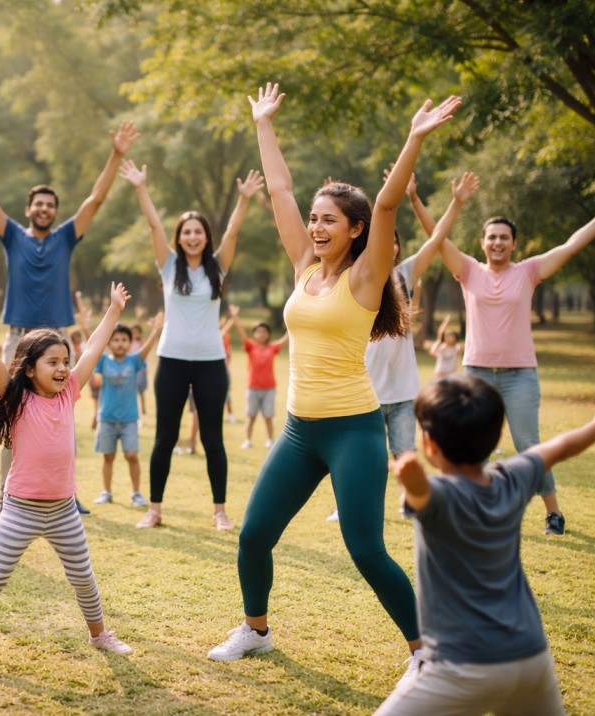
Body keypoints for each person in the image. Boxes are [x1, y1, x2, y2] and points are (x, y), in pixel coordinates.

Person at [208, 84, 461, 673]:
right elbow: (280, 191)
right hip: (300, 431)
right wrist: (263, 123)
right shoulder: (304, 265)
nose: (316, 227)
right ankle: (256, 629)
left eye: (329, 221)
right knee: (252, 536)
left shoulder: (367, 277)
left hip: (352, 430)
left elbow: (390, 203)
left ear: (355, 229)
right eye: (315, 219)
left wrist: (414, 140)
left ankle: (426, 650)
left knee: (366, 548)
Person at [376, 376, 595, 715]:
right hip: (530, 658)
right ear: (498, 434)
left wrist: (412, 478)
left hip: (462, 667)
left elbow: (421, 495)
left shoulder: (441, 496)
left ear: (430, 445)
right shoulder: (513, 477)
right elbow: (558, 447)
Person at [0, 282, 135, 675]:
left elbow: (92, 348)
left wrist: (113, 310)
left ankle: (99, 634)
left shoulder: (69, 391)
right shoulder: (16, 397)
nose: (62, 368)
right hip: (21, 509)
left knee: (83, 579)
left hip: (63, 510)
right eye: (52, 362)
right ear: (29, 368)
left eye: (64, 361)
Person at [0, 106, 140, 520]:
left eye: (50, 204)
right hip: (19, 337)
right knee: (12, 412)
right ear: (29, 207)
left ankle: (66, 493)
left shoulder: (66, 237)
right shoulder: (13, 236)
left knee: (62, 416)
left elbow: (97, 198)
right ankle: (5, 495)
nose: (44, 208)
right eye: (38, 203)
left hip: (56, 336)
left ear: (55, 211)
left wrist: (116, 155)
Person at [413, 182, 595, 535]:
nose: (498, 243)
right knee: (472, 444)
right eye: (492, 237)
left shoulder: (528, 271)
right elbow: (436, 237)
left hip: (520, 375)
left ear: (513, 244)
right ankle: (466, 510)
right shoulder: (468, 271)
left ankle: (554, 514)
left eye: (504, 237)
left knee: (529, 445)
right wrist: (413, 198)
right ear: (483, 243)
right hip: (477, 374)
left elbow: (571, 246)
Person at [119, 161, 264, 531]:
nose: (193, 237)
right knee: (165, 437)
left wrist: (244, 200)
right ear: (179, 237)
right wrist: (140, 187)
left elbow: (232, 232)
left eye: (198, 231)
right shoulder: (168, 265)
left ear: (205, 236)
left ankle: (220, 511)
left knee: (213, 439)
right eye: (187, 232)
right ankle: (154, 509)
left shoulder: (217, 266)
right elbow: (153, 223)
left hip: (211, 363)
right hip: (171, 361)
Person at [360, 172, 480, 521]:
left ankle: (410, 502)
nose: (392, 246)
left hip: (402, 389)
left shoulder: (405, 274)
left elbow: (437, 239)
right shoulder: (357, 277)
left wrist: (454, 203)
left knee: (405, 452)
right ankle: (351, 506)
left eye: (395, 242)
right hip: (364, 389)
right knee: (363, 457)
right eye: (386, 241)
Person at [91, 312, 162, 508]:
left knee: (132, 455)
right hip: (107, 417)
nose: (120, 343)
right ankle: (106, 492)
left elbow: (146, 349)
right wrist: (87, 328)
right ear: (108, 343)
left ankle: (136, 493)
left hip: (129, 418)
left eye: (124, 340)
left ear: (130, 343)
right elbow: (92, 347)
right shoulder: (104, 361)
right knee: (108, 456)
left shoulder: (133, 361)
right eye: (115, 340)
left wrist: (156, 330)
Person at [228, 306, 288, 449]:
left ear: (268, 334)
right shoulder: (251, 346)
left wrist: (291, 325)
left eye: (264, 332)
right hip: (253, 388)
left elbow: (286, 338)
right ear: (254, 334)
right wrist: (235, 317)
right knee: (251, 416)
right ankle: (247, 440)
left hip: (269, 388)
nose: (261, 334)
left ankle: (269, 440)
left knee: (268, 417)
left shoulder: (272, 347)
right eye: (258, 331)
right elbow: (241, 332)